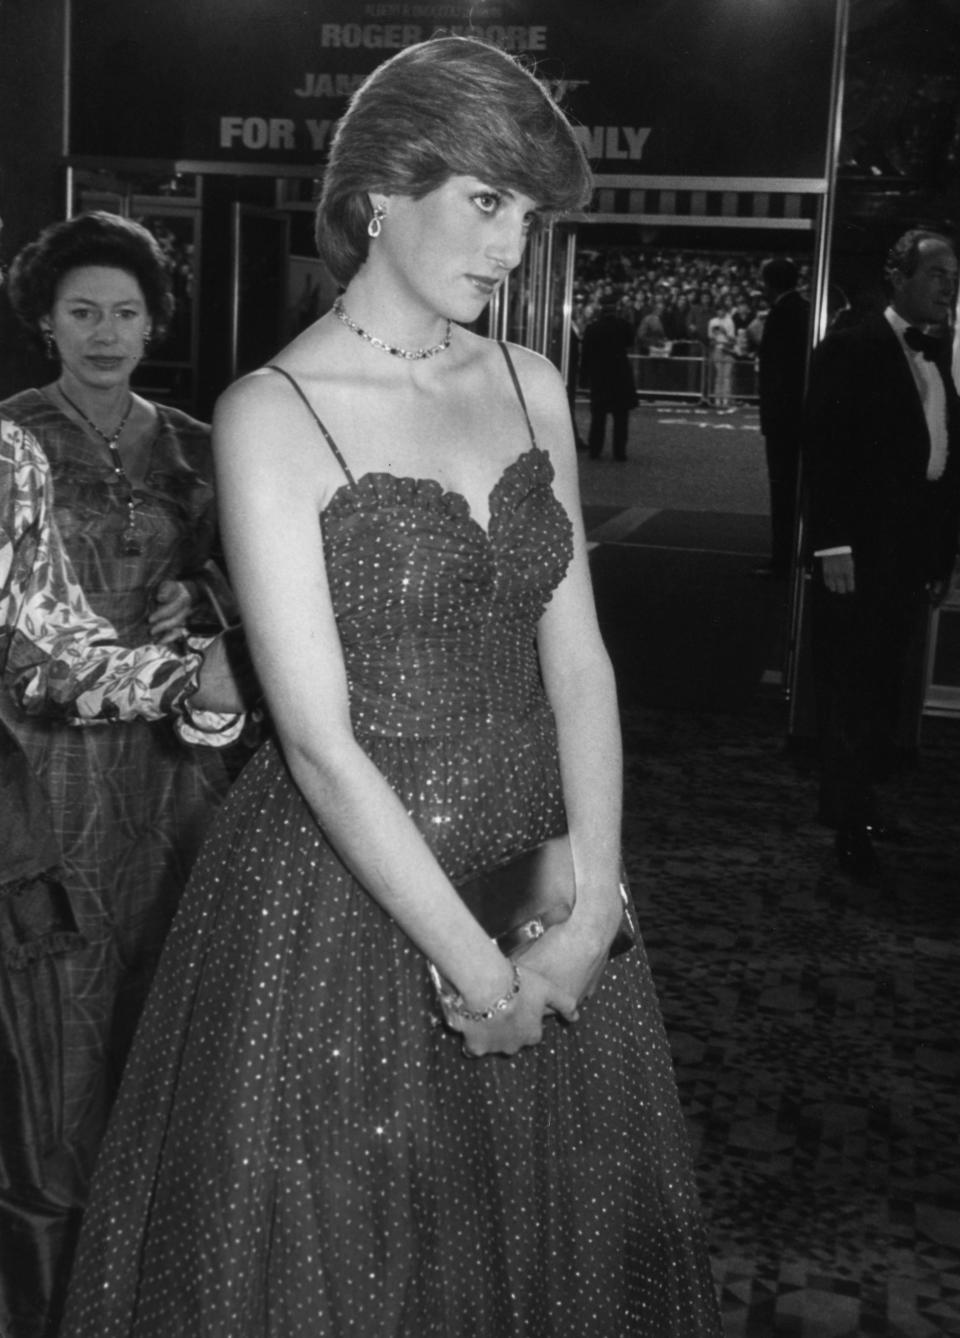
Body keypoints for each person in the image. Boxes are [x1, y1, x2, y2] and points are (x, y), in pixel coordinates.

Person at [61, 37, 721, 1337]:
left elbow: (578, 657)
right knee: (354, 1259)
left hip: (541, 872)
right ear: (380, 193)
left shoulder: (531, 383)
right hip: (346, 901)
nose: (510, 244)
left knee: (544, 1252)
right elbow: (312, 739)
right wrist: (478, 968)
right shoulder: (276, 409)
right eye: (488, 200)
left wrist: (591, 901)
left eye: (529, 215)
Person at [0, 212, 243, 1276]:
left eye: (126, 313)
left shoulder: (199, 444)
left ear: (155, 324)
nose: (105, 333)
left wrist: (208, 597)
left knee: (174, 1042)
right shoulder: (10, 440)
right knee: (50, 1066)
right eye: (83, 312)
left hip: (184, 771)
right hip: (41, 769)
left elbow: (258, 594)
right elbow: (21, 642)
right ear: (45, 322)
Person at [805, 228, 960, 885]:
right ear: (897, 276)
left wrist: (939, 554)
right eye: (937, 275)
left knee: (886, 685)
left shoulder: (938, 350)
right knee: (853, 687)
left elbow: (940, 459)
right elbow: (826, 450)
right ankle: (846, 821)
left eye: (954, 277)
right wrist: (832, 543)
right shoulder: (853, 346)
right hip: (860, 550)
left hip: (909, 551)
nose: (949, 288)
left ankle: (863, 803)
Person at [756, 258, 809, 578]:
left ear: (770, 282)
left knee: (784, 490)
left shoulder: (783, 314)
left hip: (784, 420)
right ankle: (789, 558)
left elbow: (778, 372)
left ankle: (783, 560)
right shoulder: (800, 310)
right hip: (793, 417)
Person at [580, 296, 637, 461]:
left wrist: (584, 377)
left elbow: (586, 355)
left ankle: (595, 450)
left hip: (600, 376)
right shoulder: (624, 326)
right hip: (620, 376)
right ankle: (619, 452)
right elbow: (629, 342)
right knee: (621, 418)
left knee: (598, 417)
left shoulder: (592, 328)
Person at [707, 299, 736, 409]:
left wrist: (724, 333)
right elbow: (710, 338)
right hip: (717, 350)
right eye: (718, 310)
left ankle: (726, 399)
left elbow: (732, 339)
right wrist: (715, 340)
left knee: (726, 376)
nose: (720, 312)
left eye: (722, 310)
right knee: (719, 375)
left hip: (728, 350)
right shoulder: (712, 322)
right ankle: (717, 399)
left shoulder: (730, 322)